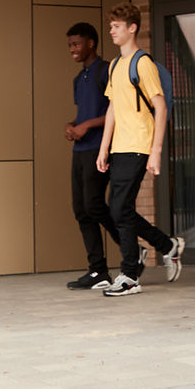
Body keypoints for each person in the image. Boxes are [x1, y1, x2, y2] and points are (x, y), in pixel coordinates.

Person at [96, 2, 184, 297]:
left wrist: (156, 150)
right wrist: (103, 148)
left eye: (116, 26)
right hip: (119, 146)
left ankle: (130, 275)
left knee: (119, 208)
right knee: (120, 208)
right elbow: (112, 109)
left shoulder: (142, 63)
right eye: (111, 27)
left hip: (139, 144)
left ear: (132, 28)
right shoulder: (114, 65)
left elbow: (159, 107)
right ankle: (166, 245)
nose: (111, 31)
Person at [64, 22, 120, 291]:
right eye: (70, 45)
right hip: (79, 151)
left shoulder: (105, 70)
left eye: (76, 44)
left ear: (91, 44)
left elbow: (115, 110)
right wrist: (74, 125)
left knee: (95, 206)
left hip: (99, 149)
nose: (72, 49)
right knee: (81, 210)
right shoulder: (79, 78)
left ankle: (130, 248)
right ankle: (98, 271)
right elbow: (85, 113)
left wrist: (86, 127)